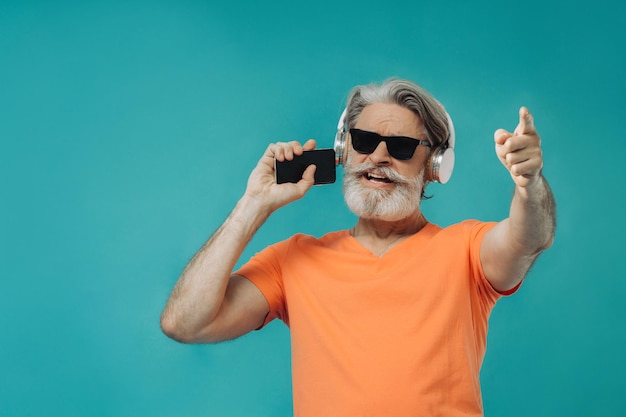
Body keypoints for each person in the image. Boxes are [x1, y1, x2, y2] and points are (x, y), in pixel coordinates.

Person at [160, 78, 556, 416]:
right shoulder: (294, 259)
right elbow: (185, 323)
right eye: (365, 140)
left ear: (435, 166)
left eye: (401, 147)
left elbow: (530, 236)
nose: (379, 156)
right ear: (344, 150)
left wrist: (530, 184)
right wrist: (252, 205)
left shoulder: (467, 250)